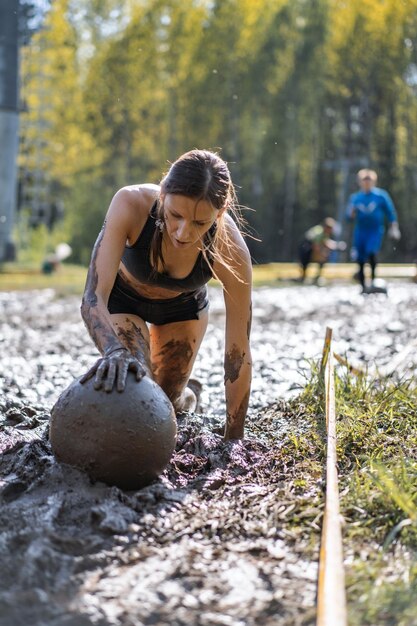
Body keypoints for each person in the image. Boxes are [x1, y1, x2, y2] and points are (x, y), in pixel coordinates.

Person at [80, 149, 252, 441]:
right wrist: (114, 350)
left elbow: (238, 353)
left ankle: (189, 395)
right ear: (162, 194)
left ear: (220, 213)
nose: (184, 233)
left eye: (200, 223)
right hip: (123, 300)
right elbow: (93, 296)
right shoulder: (130, 203)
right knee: (137, 385)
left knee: (167, 404)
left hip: (183, 308)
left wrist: (234, 438)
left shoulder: (231, 248)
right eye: (175, 215)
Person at [346, 169, 400, 292]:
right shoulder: (356, 198)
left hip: (375, 230)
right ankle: (363, 286)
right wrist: (352, 214)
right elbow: (348, 217)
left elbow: (390, 212)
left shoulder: (381, 196)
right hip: (360, 231)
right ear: (360, 182)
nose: (366, 184)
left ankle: (373, 282)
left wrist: (394, 226)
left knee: (371, 252)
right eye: (364, 181)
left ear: (373, 182)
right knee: (359, 258)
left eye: (369, 181)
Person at [298, 217, 345, 283]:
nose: (331, 231)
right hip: (306, 248)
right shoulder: (319, 232)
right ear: (327, 227)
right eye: (331, 229)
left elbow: (327, 242)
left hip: (308, 247)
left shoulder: (323, 231)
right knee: (310, 262)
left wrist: (337, 246)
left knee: (323, 257)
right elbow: (316, 246)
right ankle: (304, 278)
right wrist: (323, 254)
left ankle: (315, 277)